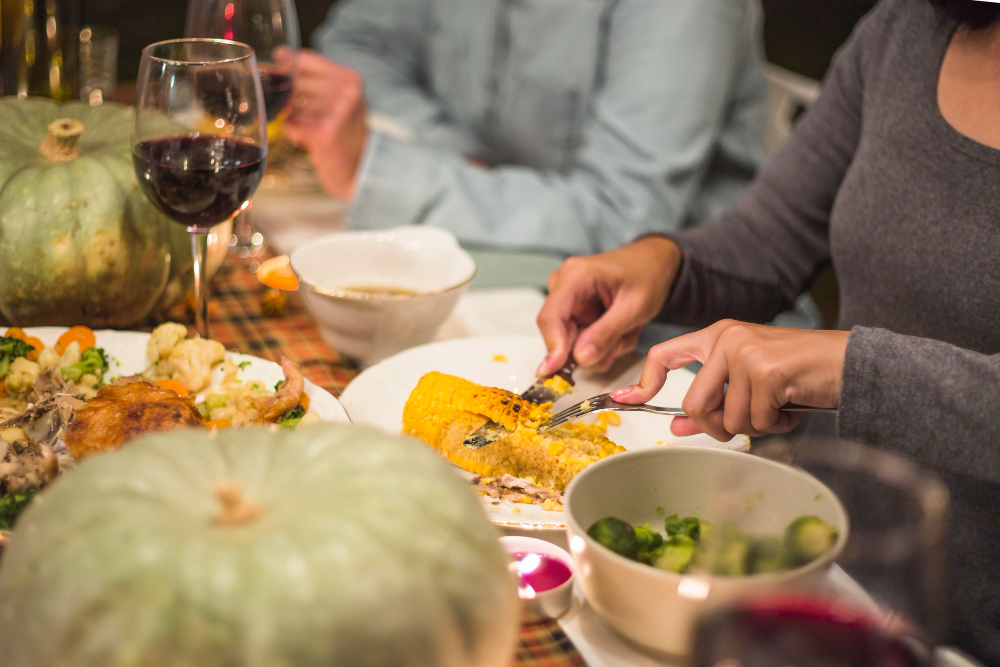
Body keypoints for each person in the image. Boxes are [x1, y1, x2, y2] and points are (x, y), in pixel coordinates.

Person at [535, 0, 1000, 661]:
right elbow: (773, 236)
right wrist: (663, 263)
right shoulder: (906, 28)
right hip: (813, 579)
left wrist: (854, 370)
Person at [283, 0, 769, 256]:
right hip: (507, 262)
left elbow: (623, 220)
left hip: (675, 338)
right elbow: (355, 43)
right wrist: (451, 151)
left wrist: (376, 169)